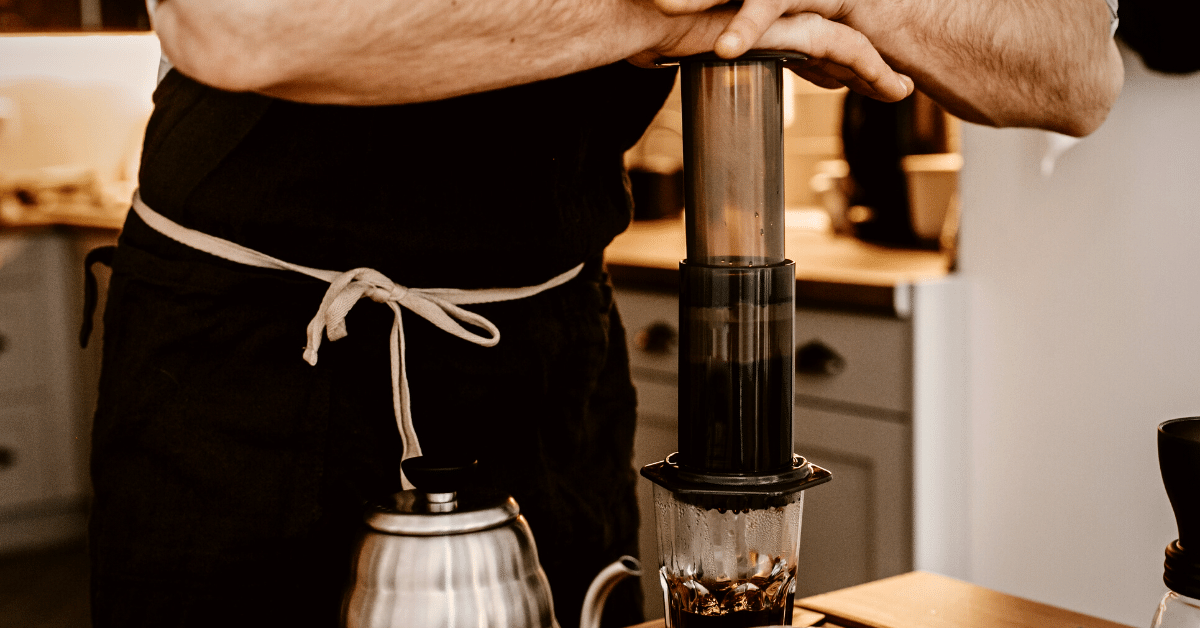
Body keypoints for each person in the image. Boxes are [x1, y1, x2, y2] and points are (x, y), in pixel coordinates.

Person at [86, 2, 1123, 627]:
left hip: (544, 362)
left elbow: (1072, 65)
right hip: (250, 359)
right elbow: (242, 22)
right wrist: (687, 14)